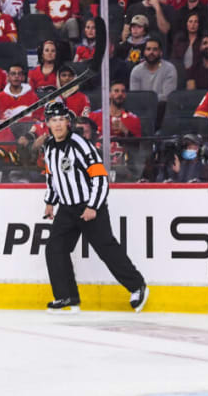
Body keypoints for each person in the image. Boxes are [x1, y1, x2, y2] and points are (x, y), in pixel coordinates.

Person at [42, 101, 149, 314]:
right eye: (53, 120)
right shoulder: (48, 146)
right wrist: (49, 201)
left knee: (106, 248)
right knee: (55, 248)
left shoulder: (80, 144)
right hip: (67, 208)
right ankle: (66, 297)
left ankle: (137, 286)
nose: (58, 125)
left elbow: (100, 177)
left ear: (68, 122)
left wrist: (93, 206)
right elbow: (52, 176)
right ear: (47, 124)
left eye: (61, 119)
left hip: (89, 206)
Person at [130, 37, 177, 105]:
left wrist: (147, 99)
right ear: (144, 52)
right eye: (148, 49)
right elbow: (135, 97)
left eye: (155, 49)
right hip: (142, 109)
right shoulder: (136, 71)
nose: (151, 52)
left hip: (163, 109)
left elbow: (168, 97)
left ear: (161, 52)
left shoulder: (169, 69)